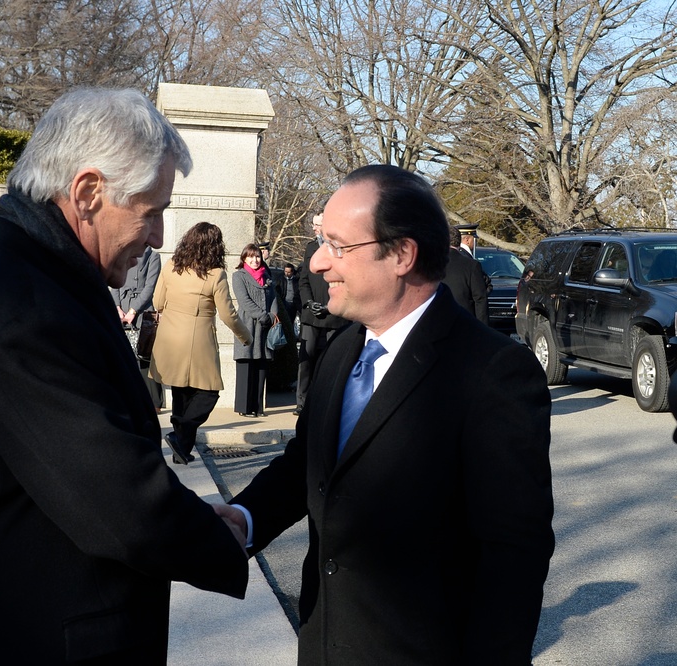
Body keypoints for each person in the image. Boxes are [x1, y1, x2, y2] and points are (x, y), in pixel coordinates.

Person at [0, 88, 248, 665]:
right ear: (87, 193)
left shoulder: (32, 279)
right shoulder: (24, 307)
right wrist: (218, 539)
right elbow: (117, 502)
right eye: (150, 211)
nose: (158, 236)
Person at [222, 165, 555, 664]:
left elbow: (513, 559)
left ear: (401, 254)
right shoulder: (342, 350)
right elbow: (308, 468)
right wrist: (243, 518)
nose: (316, 263)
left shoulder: (492, 372)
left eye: (337, 245)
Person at [150, 222, 252, 464]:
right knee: (208, 393)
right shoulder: (215, 274)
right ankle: (180, 432)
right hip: (198, 340)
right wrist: (245, 337)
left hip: (169, 337)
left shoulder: (171, 266)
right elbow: (228, 314)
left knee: (181, 394)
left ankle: (181, 452)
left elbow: (157, 302)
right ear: (215, 246)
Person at [295, 212, 350, 415]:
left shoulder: (340, 248)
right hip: (311, 315)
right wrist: (308, 303)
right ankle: (302, 401)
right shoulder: (311, 248)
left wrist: (330, 307)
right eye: (314, 224)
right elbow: (303, 280)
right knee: (306, 359)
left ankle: (326, 399)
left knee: (331, 359)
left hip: (333, 315)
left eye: (319, 224)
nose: (316, 228)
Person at [111, 245, 164, 411]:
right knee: (126, 356)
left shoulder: (153, 257)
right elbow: (114, 282)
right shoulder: (123, 253)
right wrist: (118, 307)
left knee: (146, 357)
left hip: (142, 311)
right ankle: (129, 399)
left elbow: (150, 287)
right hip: (122, 310)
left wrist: (134, 310)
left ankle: (154, 402)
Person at [232, 243, 278, 417]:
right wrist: (261, 315)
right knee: (246, 364)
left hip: (265, 327)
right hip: (247, 325)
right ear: (244, 258)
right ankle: (244, 407)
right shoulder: (239, 276)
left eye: (257, 256)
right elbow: (244, 301)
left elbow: (273, 299)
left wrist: (272, 316)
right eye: (251, 256)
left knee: (261, 365)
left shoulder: (267, 276)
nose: (255, 260)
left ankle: (257, 407)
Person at [441, 225, 489, 323]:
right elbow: (480, 299)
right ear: (459, 242)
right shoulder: (472, 265)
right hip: (464, 323)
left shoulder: (432, 264)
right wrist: (482, 329)